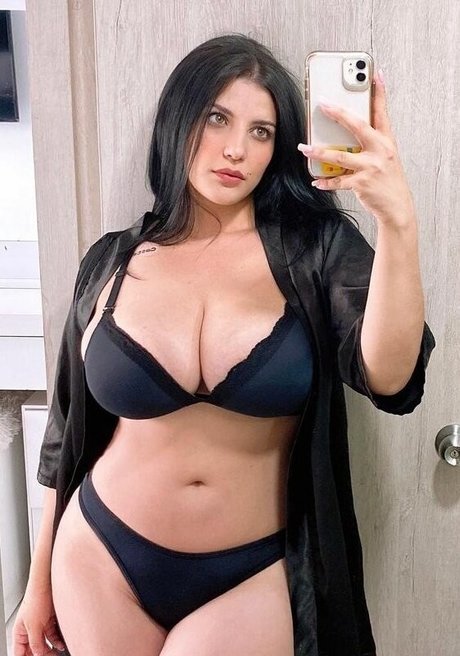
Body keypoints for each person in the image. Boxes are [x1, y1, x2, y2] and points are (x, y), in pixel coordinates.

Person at [13, 34, 435, 656]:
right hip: (100, 554)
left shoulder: (316, 251)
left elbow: (391, 378)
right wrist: (36, 582)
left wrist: (397, 221)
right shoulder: (110, 260)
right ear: (179, 118)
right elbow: (65, 432)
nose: (237, 148)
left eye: (262, 132)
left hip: (251, 571)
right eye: (217, 118)